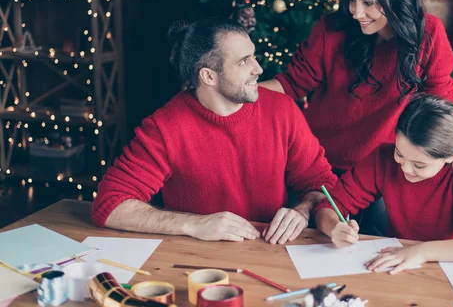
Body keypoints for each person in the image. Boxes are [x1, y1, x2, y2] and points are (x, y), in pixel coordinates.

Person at [260, 0, 453, 234]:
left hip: (383, 167)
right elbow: (291, 83)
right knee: (314, 241)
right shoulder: (332, 29)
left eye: (368, 2)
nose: (356, 12)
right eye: (351, 0)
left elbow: (442, 105)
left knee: (378, 246)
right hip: (321, 162)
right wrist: (235, 89)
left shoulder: (428, 33)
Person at [92, 18, 338, 245]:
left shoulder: (282, 110)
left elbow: (322, 183)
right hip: (196, 258)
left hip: (270, 251)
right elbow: (109, 204)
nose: (258, 69)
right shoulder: (164, 127)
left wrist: (303, 211)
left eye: (253, 56)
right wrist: (193, 224)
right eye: (244, 61)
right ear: (209, 76)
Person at [314, 94, 453, 274]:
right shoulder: (382, 159)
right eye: (399, 154)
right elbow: (326, 206)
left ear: (452, 155)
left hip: (450, 269)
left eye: (420, 164)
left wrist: (421, 252)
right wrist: (334, 228)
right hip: (395, 267)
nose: (406, 169)